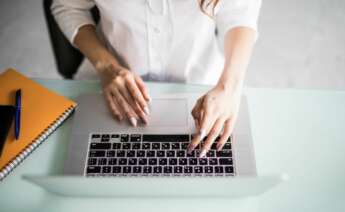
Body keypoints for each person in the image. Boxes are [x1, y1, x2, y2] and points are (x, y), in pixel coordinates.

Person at [52, 0, 261, 157]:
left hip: (204, 84)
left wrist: (229, 86)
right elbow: (68, 6)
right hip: (108, 81)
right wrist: (106, 66)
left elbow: (240, 14)